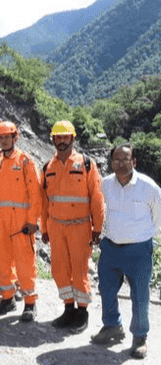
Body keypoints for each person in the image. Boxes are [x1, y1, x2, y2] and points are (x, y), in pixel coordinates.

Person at [90, 144, 161, 359]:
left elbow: (159, 218)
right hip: (111, 248)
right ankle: (112, 325)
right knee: (106, 289)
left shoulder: (148, 187)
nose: (121, 163)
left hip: (139, 251)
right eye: (116, 159)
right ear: (111, 162)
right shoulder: (106, 184)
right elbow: (101, 211)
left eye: (126, 159)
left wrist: (146, 238)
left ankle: (140, 336)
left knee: (140, 295)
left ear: (134, 162)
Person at [41, 120, 104, 333]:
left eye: (65, 137)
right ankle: (68, 309)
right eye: (57, 138)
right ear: (53, 139)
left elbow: (96, 198)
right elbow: (44, 202)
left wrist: (98, 228)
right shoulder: (48, 167)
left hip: (80, 227)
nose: (61, 141)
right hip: (56, 227)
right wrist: (44, 229)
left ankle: (82, 312)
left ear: (73, 138)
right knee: (59, 269)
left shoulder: (86, 164)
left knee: (79, 269)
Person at [0, 122, 41, 322]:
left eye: (6, 137)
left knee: (24, 263)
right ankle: (7, 299)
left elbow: (35, 193)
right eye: (0, 138)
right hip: (2, 222)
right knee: (3, 261)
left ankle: (30, 303)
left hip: (22, 223)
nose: (3, 141)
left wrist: (32, 221)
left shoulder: (26, 161)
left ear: (15, 137)